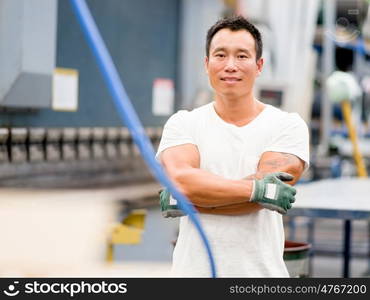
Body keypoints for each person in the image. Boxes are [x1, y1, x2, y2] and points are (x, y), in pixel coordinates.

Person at [156, 15, 309, 277]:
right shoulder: (183, 123)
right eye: (220, 55)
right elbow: (182, 180)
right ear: (206, 64)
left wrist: (190, 198)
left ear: (259, 65)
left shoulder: (287, 126)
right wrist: (257, 190)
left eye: (241, 56)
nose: (230, 65)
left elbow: (271, 191)